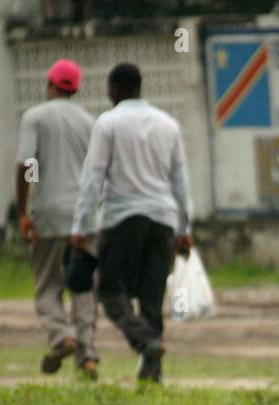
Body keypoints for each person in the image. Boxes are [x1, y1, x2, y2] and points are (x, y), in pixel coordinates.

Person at [70, 63, 193, 385]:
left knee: (111, 291)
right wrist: (184, 229)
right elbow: (180, 180)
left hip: (122, 217)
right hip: (163, 220)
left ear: (114, 89)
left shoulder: (107, 123)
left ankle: (146, 343)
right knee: (152, 298)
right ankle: (153, 375)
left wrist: (82, 226)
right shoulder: (169, 124)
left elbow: (93, 176)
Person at [16, 59, 98, 379]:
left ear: (50, 84)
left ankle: (61, 336)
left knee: (47, 283)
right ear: (75, 88)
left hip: (47, 213)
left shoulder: (34, 117)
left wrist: (22, 211)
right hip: (85, 216)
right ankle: (87, 355)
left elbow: (25, 164)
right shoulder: (90, 122)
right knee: (83, 285)